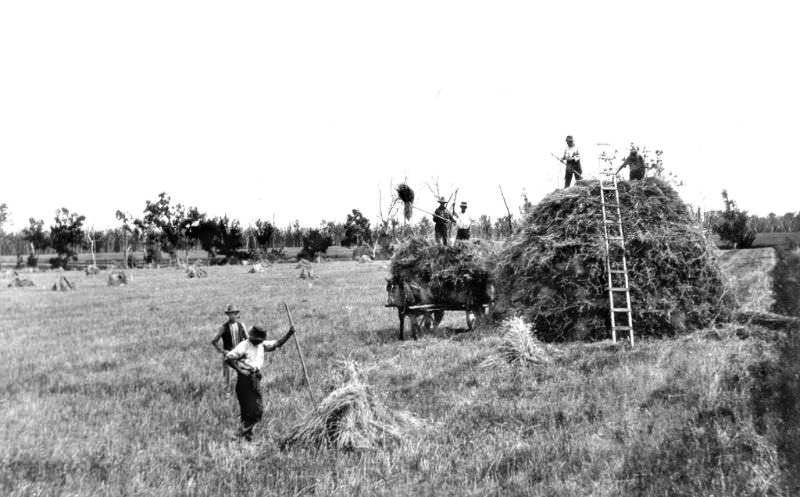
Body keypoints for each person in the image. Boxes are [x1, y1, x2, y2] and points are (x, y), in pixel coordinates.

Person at [225, 324, 295, 441]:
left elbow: (277, 344)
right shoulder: (244, 345)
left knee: (249, 411)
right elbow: (228, 358)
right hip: (245, 381)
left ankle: (247, 438)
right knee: (256, 411)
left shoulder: (261, 345)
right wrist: (240, 370)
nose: (258, 342)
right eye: (257, 340)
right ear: (252, 337)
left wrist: (289, 334)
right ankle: (238, 434)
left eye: (260, 340)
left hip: (255, 378)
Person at [211, 304, 248, 389]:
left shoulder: (241, 325)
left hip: (239, 355)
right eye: (231, 313)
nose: (233, 315)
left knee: (243, 375)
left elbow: (248, 340)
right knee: (227, 377)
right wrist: (223, 351)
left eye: (234, 313)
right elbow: (214, 341)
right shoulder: (224, 327)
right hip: (228, 356)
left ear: (236, 314)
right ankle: (227, 394)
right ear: (228, 315)